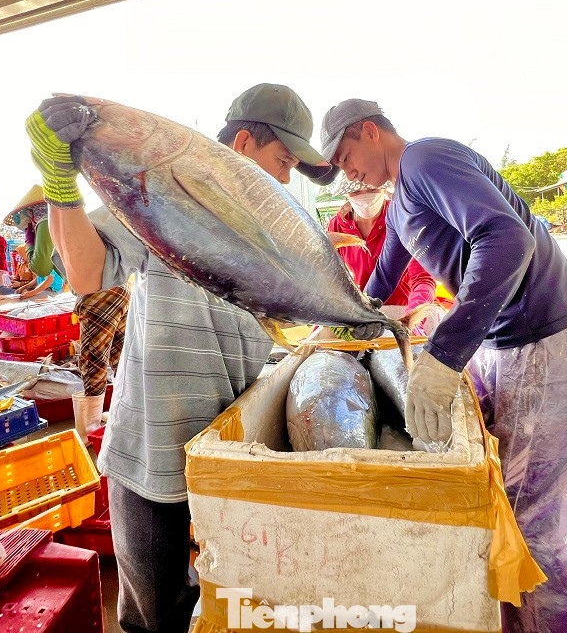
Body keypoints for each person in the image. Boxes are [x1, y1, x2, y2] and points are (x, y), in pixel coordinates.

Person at [25, 83, 336, 633]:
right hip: (155, 446)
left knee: (240, 598)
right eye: (282, 160)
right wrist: (60, 183)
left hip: (238, 446)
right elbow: (86, 273)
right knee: (155, 612)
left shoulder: (273, 226)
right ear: (243, 142)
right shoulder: (163, 192)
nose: (285, 177)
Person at [320, 99, 567, 633]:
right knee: (504, 508)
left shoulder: (426, 160)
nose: (347, 171)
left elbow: (507, 240)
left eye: (345, 156)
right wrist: (340, 325)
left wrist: (445, 355)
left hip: (548, 342)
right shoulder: (404, 194)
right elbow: (385, 274)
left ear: (369, 130)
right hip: (506, 346)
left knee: (534, 528)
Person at [327, 176, 441, 334]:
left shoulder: (402, 218)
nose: (365, 195)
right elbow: (333, 281)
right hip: (363, 313)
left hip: (403, 309)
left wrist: (414, 319)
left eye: (372, 188)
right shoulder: (336, 226)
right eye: (356, 190)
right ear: (346, 193)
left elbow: (422, 279)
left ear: (384, 189)